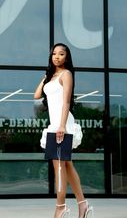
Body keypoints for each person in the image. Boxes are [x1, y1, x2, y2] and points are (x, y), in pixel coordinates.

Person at [34, 43, 93, 218]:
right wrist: (46, 75)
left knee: (59, 167)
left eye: (61, 54)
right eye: (54, 54)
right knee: (66, 166)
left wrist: (61, 126)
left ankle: (60, 207)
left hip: (63, 124)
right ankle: (83, 205)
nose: (57, 57)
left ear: (67, 57)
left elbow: (66, 102)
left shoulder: (66, 75)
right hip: (55, 125)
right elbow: (37, 95)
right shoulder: (51, 77)